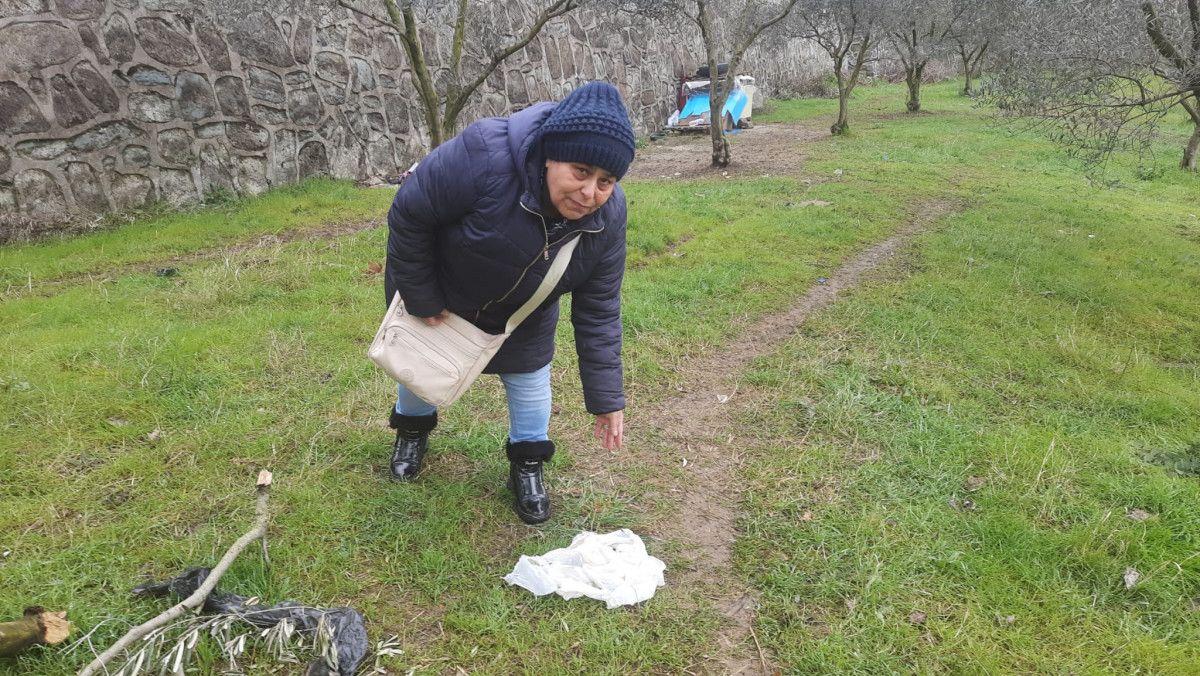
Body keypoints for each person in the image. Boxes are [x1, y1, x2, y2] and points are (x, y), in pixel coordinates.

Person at [383, 81, 634, 524]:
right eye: (580, 171)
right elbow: (410, 212)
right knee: (420, 368)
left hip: (521, 313)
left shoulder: (606, 222)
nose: (589, 192)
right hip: (444, 288)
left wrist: (606, 398)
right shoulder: (485, 154)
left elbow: (599, 310)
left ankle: (527, 465)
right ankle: (411, 434)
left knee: (530, 382)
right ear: (550, 154)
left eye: (606, 181)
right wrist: (422, 296)